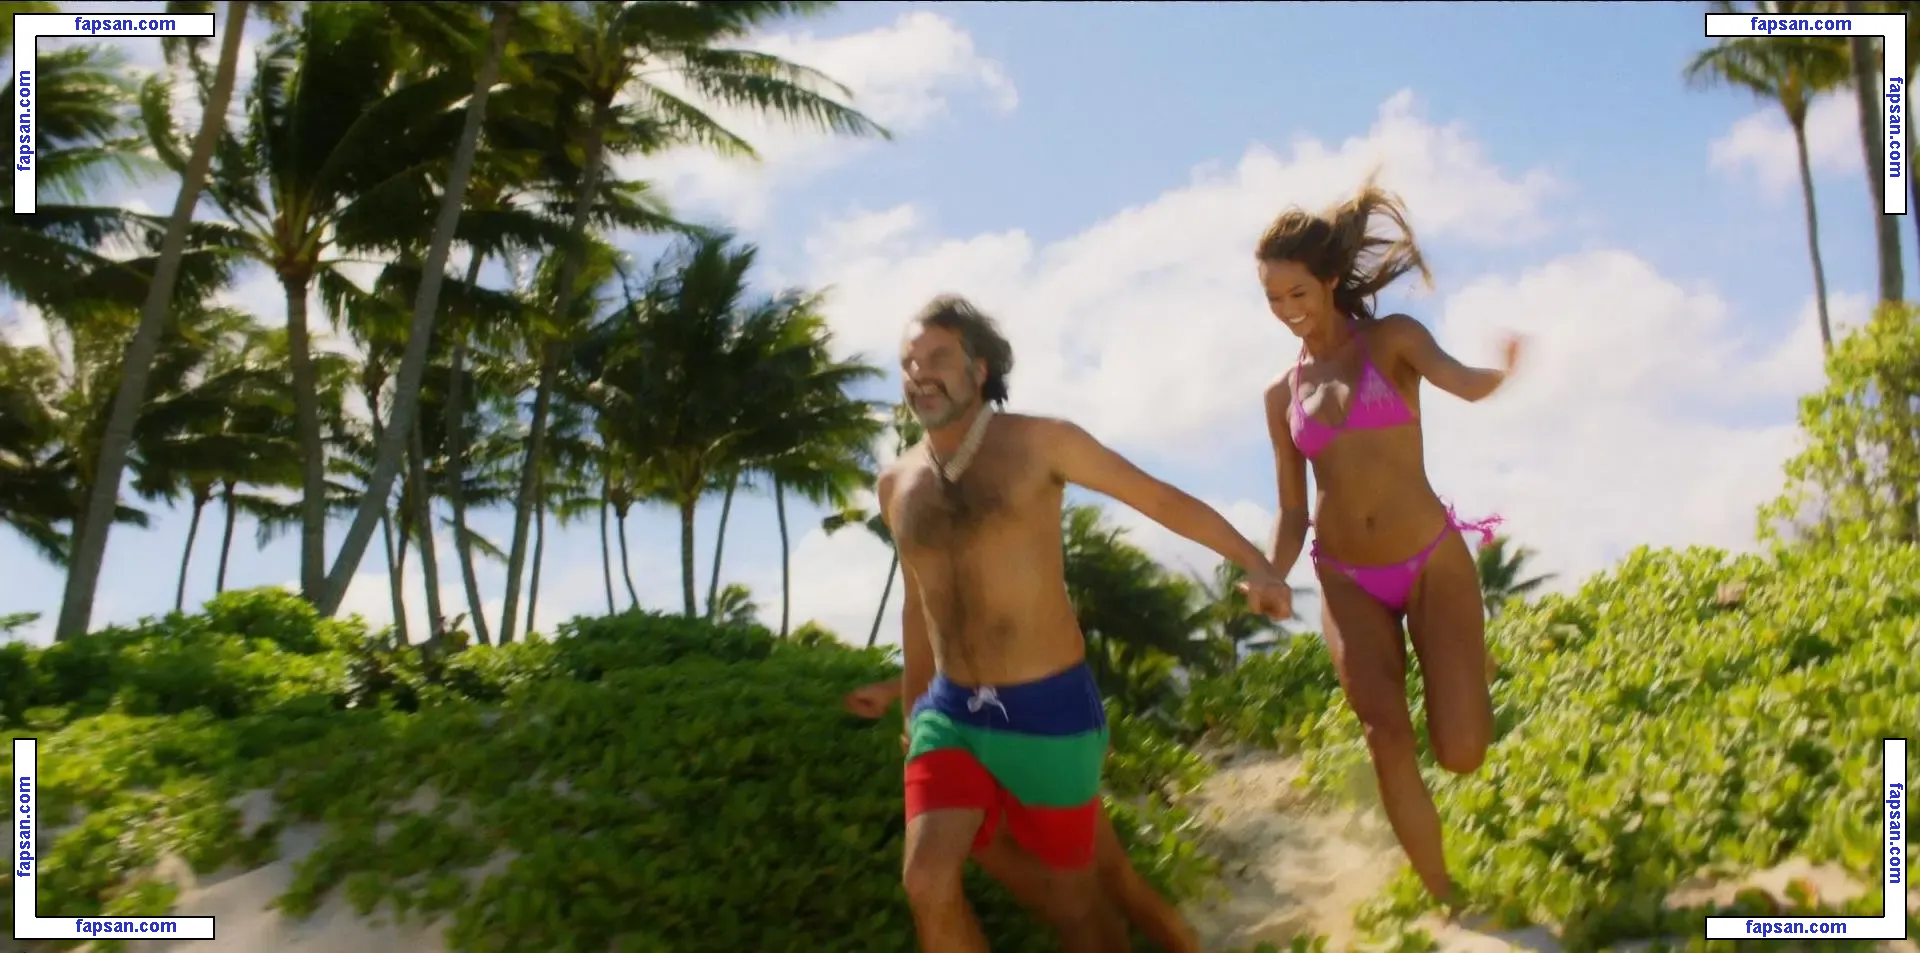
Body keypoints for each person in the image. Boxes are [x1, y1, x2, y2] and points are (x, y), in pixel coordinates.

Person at [874, 293, 1292, 953]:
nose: (919, 372)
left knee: (1076, 908)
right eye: (908, 361)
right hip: (949, 712)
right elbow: (915, 604)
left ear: (979, 369)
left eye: (938, 357)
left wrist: (1256, 563)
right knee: (926, 881)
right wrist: (911, 709)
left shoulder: (1041, 443)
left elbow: (1155, 496)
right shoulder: (897, 483)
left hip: (1048, 708)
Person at [1253, 175, 1523, 913]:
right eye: (1273, 298)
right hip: (1345, 577)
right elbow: (1292, 510)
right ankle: (1448, 901)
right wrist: (1269, 572)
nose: (1287, 309)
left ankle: (1468, 660)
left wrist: (1506, 369)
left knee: (1460, 752)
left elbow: (1463, 383)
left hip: (1429, 560)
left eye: (1297, 293)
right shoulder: (1281, 396)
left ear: (1329, 281)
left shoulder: (1392, 340)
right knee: (1384, 734)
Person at [843, 678, 1201, 953]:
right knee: (1063, 908)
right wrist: (901, 701)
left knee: (1113, 880)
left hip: (1025, 731)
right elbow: (945, 655)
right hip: (953, 749)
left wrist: (1086, 717)